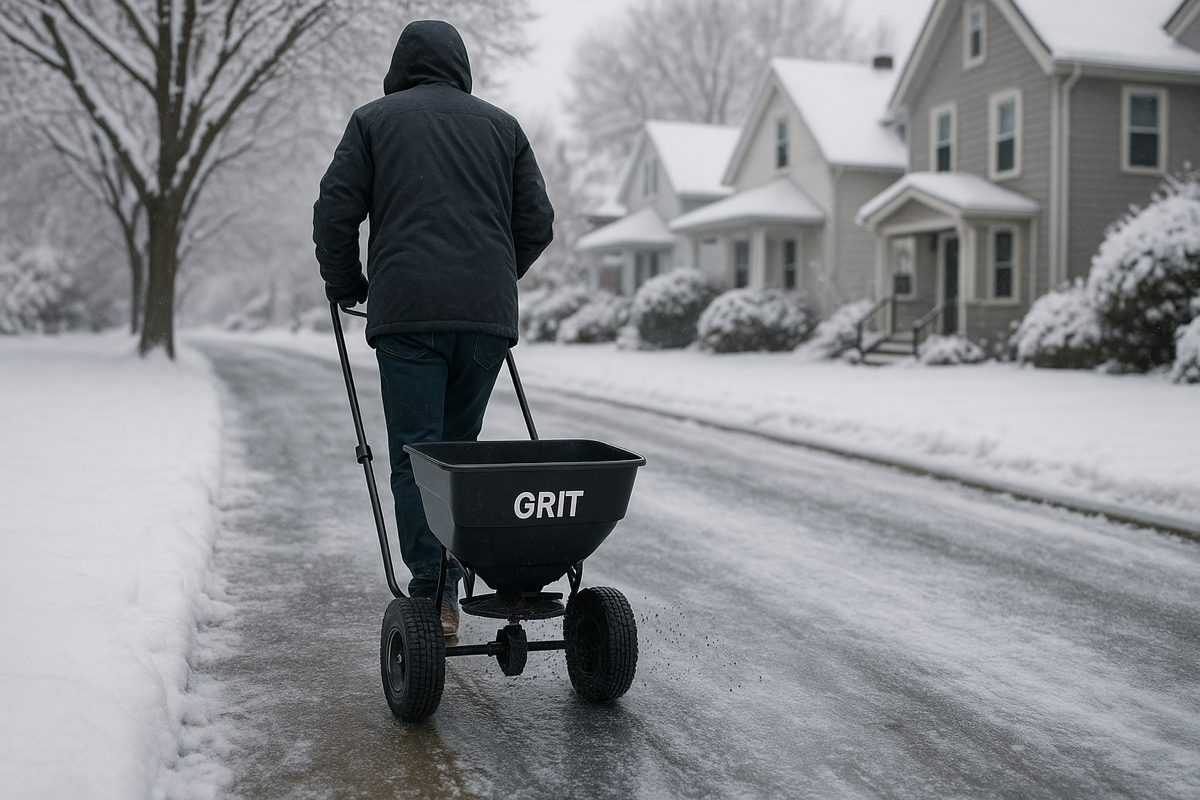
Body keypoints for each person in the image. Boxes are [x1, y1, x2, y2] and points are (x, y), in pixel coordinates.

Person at [313, 20, 554, 637]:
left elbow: (334, 211)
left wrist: (347, 285)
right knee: (457, 453)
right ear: (461, 66)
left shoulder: (373, 121)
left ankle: (435, 590)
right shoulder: (503, 127)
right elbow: (538, 223)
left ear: (400, 67)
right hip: (484, 323)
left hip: (407, 315)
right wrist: (493, 279)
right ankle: (458, 571)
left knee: (415, 452)